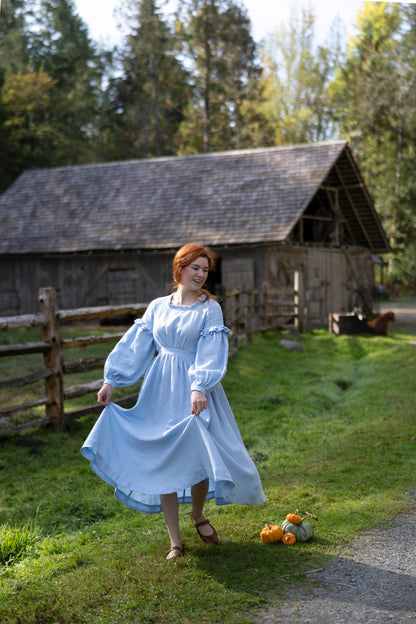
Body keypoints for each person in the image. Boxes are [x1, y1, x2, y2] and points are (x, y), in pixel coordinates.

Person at [81, 243, 265, 560]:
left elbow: (210, 351)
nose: (201, 274)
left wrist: (198, 387)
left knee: (198, 450)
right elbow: (136, 344)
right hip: (160, 388)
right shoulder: (158, 307)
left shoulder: (210, 308)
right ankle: (174, 541)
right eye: (195, 267)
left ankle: (197, 513)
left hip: (194, 387)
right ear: (179, 268)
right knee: (163, 455)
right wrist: (112, 378)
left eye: (205, 270)